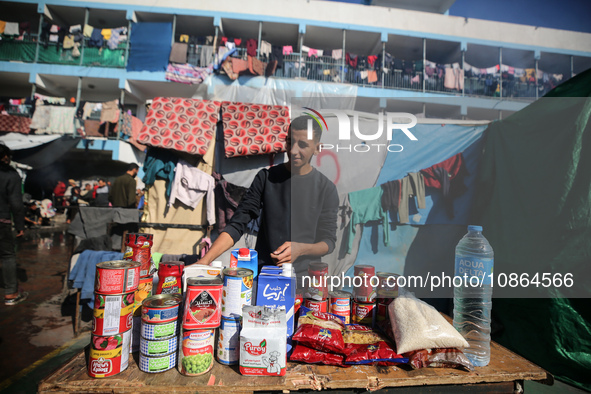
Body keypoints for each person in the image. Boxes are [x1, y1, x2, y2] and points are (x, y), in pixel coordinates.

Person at [198, 116, 339, 280]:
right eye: (289, 142)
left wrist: (300, 249)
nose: (293, 150)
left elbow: (328, 242)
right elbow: (237, 224)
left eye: (302, 145)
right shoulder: (267, 178)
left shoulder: (326, 189)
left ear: (317, 148)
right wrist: (204, 261)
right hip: (265, 275)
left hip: (304, 279)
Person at [0, 144, 28, 305]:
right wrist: (20, 225)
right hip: (2, 220)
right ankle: (11, 293)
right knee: (7, 255)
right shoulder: (11, 174)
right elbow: (16, 204)